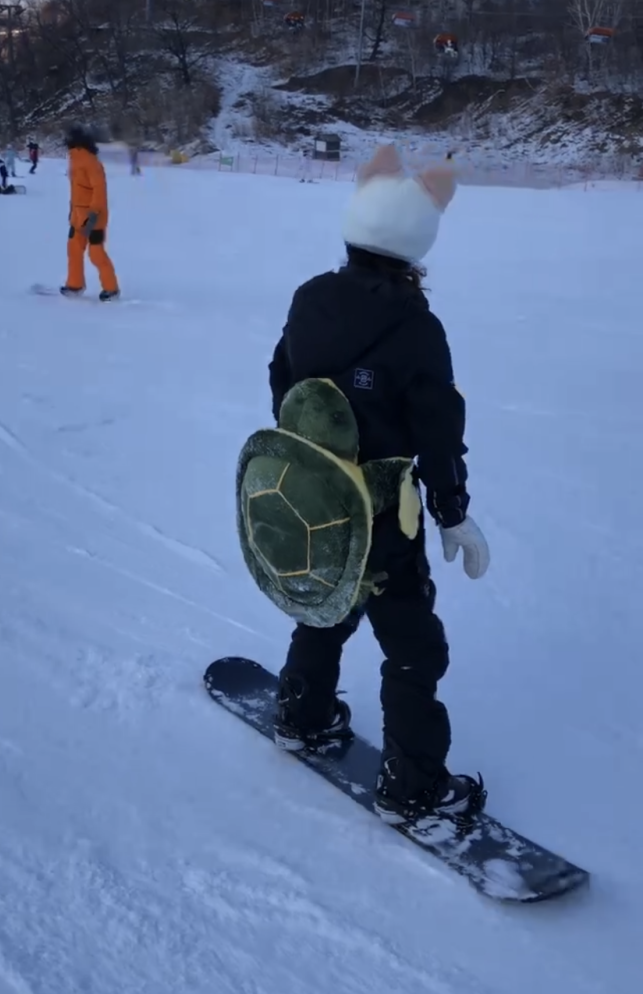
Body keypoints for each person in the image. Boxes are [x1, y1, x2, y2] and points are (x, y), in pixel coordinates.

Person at [267, 144, 490, 824]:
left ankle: (302, 713)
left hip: (316, 497)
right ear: (416, 246)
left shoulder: (310, 298)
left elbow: (282, 381)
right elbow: (437, 428)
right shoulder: (417, 327)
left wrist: (313, 454)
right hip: (386, 511)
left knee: (327, 602)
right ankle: (413, 782)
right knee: (413, 644)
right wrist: (452, 512)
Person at [61, 125, 120, 301]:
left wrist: (93, 213)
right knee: (73, 249)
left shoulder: (91, 162)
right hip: (77, 215)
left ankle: (111, 288)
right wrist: (72, 211)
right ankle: (75, 284)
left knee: (95, 252)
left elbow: (99, 189)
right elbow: (76, 189)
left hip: (94, 216)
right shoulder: (74, 158)